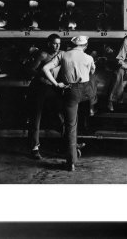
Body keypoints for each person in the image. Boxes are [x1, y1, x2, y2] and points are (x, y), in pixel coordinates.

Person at [42, 36, 97, 171]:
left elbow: (45, 68)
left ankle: (71, 161)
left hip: (70, 91)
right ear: (85, 45)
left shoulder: (64, 55)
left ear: (72, 45)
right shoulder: (89, 57)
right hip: (85, 92)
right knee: (80, 116)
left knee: (71, 125)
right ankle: (92, 106)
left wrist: (56, 83)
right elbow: (92, 71)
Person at [27, 34, 64, 160]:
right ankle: (34, 148)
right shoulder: (43, 55)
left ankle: (69, 144)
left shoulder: (62, 54)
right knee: (36, 118)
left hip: (53, 89)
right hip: (40, 88)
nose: (57, 46)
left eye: (59, 43)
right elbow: (31, 69)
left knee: (60, 115)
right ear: (49, 43)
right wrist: (42, 76)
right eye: (54, 43)